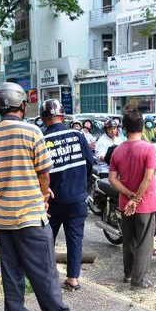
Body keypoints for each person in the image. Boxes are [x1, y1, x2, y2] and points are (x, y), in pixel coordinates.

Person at [0, 82, 88, 311]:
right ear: (22, 104)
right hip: (30, 212)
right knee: (45, 270)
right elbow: (44, 171)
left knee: (11, 271)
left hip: (3, 216)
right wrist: (44, 194)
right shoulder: (31, 132)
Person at [41, 99, 95, 291]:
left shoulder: (42, 139)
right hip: (77, 198)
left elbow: (40, 171)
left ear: (43, 119)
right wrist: (80, 183)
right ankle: (73, 278)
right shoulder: (77, 135)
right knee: (75, 239)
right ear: (62, 116)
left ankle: (48, 278)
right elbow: (90, 163)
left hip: (52, 201)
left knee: (48, 239)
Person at [108, 110, 156, 289]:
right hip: (145, 203)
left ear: (124, 128)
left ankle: (128, 275)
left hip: (125, 203)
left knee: (128, 239)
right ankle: (138, 281)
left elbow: (112, 179)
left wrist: (129, 195)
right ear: (143, 127)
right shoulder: (148, 149)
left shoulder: (118, 150)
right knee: (145, 242)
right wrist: (136, 199)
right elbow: (147, 179)